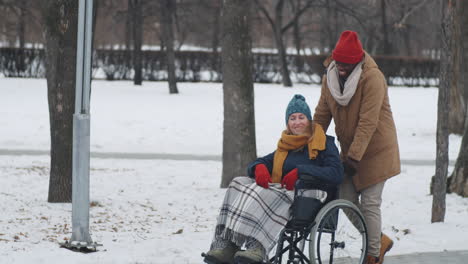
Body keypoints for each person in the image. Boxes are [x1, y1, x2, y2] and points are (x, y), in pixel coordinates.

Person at [203, 94, 343, 264]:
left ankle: (258, 247)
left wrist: (301, 171)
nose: (297, 122)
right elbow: (262, 161)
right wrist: (258, 167)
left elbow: (336, 173)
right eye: (292, 118)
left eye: (301, 117)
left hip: (311, 193)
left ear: (309, 120)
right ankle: (227, 244)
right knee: (238, 183)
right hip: (286, 189)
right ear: (287, 123)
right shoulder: (286, 145)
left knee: (270, 193)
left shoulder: (324, 143)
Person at [313, 30, 400, 264]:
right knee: (345, 196)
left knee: (370, 202)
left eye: (347, 63)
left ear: (357, 61)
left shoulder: (372, 78)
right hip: (352, 151)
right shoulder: (329, 78)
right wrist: (310, 144)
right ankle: (378, 240)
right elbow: (322, 115)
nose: (341, 67)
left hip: (377, 150)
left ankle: (372, 255)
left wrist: (353, 158)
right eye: (338, 62)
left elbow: (368, 122)